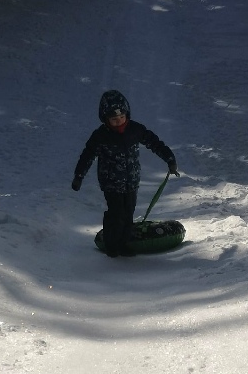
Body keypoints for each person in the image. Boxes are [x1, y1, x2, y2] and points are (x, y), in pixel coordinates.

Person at [71, 90, 179, 257]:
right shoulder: (100, 136)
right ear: (105, 119)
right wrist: (79, 176)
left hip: (131, 180)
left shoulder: (135, 129)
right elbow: (87, 156)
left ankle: (124, 244)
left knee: (128, 212)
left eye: (121, 117)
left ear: (126, 114)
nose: (118, 121)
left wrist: (170, 159)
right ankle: (111, 245)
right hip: (111, 182)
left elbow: (154, 143)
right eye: (113, 119)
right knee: (116, 213)